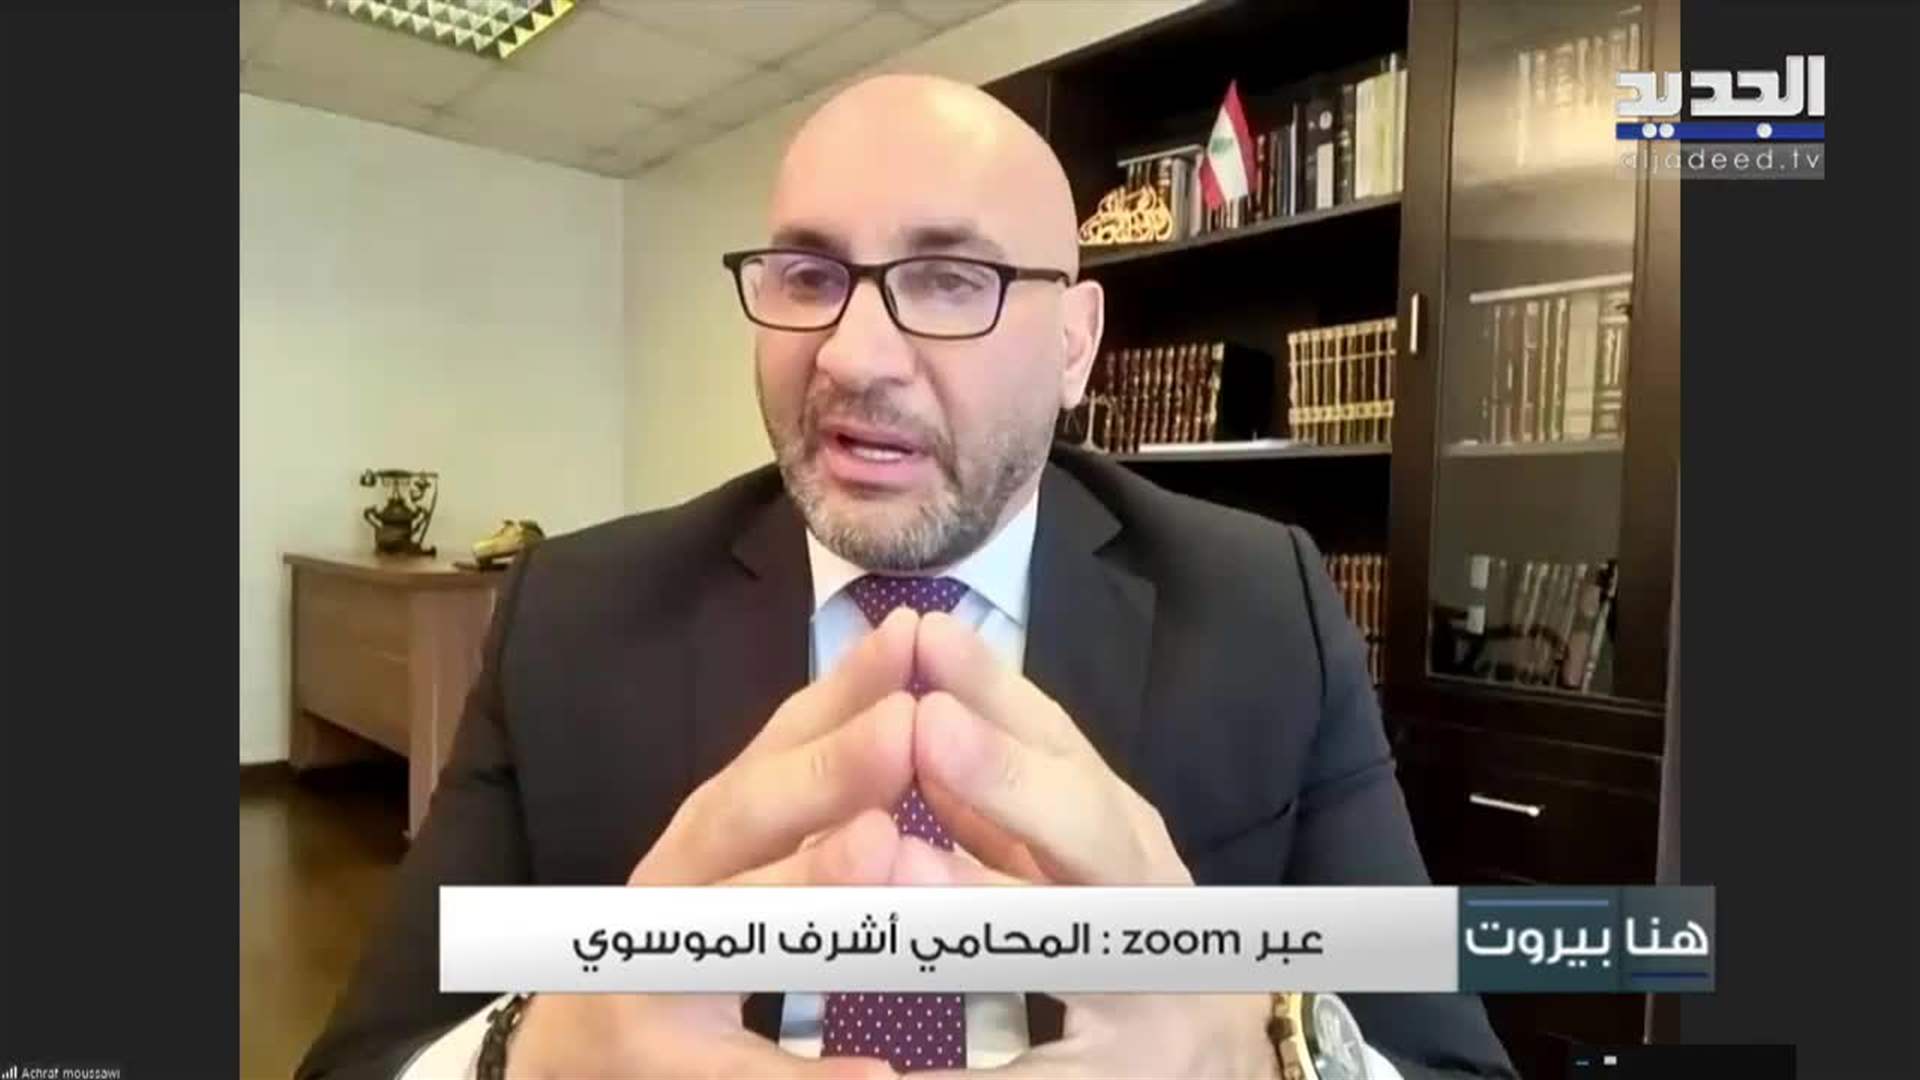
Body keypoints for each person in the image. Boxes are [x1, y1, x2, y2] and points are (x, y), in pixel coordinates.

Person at [297, 73, 1516, 1080]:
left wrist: (1265, 1052)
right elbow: (368, 1058)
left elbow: (1441, 1059)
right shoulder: (574, 615)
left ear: (1076, 346)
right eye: (808, 276)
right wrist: (531, 1053)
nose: (855, 355)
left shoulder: (1262, 608)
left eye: (950, 281)